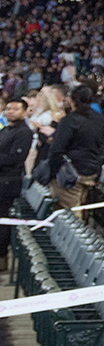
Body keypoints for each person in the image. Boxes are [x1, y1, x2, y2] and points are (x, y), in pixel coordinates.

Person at [46, 83, 104, 211]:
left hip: (71, 173)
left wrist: (53, 172)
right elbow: (103, 148)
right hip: (91, 171)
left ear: (72, 100)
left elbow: (57, 149)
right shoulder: (101, 120)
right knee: (80, 206)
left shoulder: (70, 121)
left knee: (70, 213)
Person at [0, 97, 33, 266]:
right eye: (8, 108)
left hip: (8, 182)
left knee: (2, 220)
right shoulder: (6, 130)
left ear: (24, 112)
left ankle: (2, 256)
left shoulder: (24, 132)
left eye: (15, 109)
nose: (10, 111)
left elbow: (15, 158)